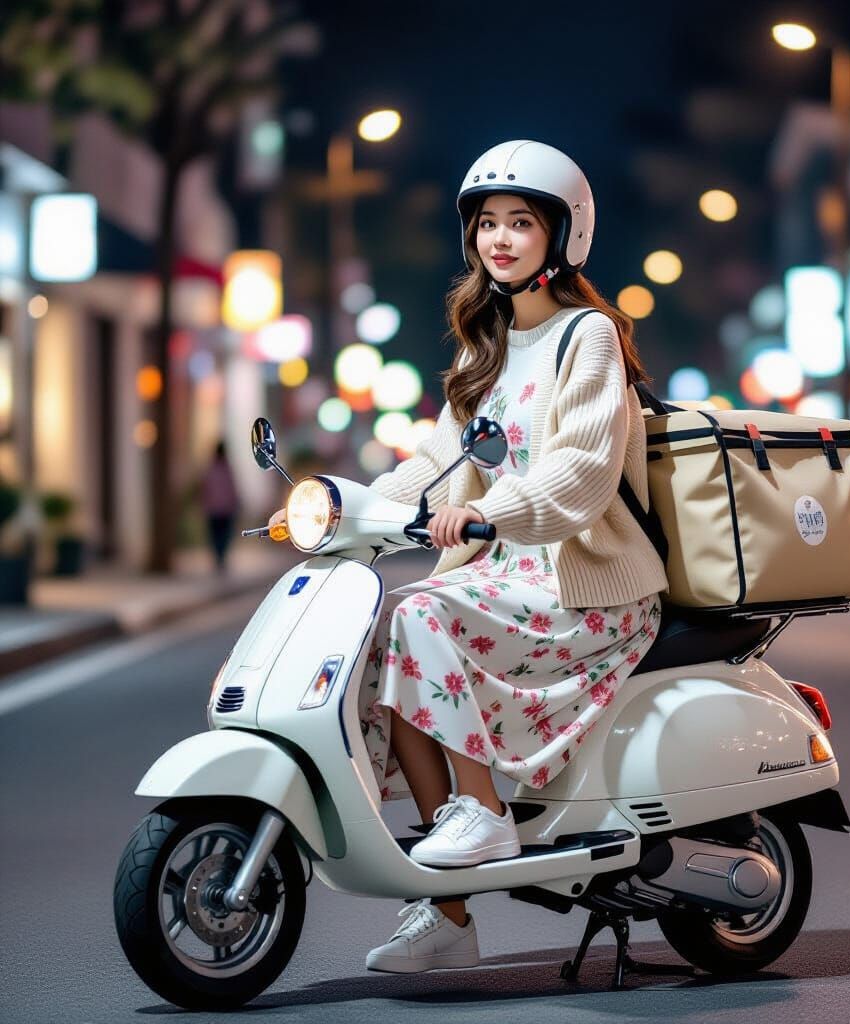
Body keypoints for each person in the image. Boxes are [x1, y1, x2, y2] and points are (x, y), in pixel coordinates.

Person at [271, 140, 668, 974]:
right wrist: (349, 506)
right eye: (487, 223)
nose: (500, 238)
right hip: (509, 571)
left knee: (421, 610)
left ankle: (480, 811)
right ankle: (447, 913)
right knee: (382, 644)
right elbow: (440, 461)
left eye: (522, 222)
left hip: (584, 578)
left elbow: (583, 472)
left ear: (562, 237)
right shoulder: (485, 345)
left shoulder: (587, 336)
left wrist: (488, 514)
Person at [201, 441, 240, 574]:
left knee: (215, 536)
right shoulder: (227, 469)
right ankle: (220, 558)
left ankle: (219, 558)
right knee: (223, 536)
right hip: (225, 509)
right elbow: (232, 488)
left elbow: (205, 488)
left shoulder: (210, 469)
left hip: (213, 509)